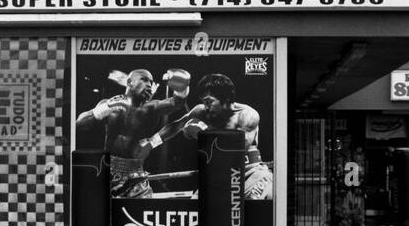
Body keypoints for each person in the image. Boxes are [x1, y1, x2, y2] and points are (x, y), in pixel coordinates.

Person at [139, 72, 273, 199]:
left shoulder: (247, 115)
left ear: (226, 98)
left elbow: (237, 149)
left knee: (255, 207)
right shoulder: (202, 111)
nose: (206, 106)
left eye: (209, 101)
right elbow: (176, 125)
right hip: (218, 173)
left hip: (249, 172)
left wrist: (203, 134)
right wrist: (150, 143)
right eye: (204, 101)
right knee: (195, 211)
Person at [75, 68, 192, 197]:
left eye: (151, 82)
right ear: (129, 82)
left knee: (138, 213)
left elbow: (177, 102)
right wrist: (106, 107)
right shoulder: (110, 103)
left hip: (135, 176)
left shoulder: (152, 108)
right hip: (106, 169)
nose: (149, 84)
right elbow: (79, 124)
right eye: (144, 79)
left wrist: (181, 87)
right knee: (102, 213)